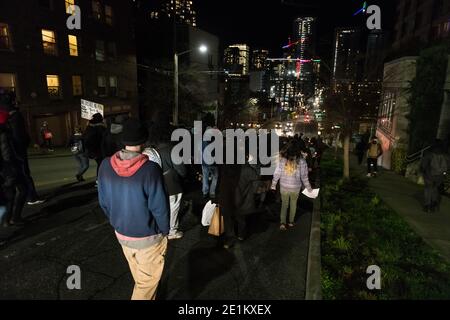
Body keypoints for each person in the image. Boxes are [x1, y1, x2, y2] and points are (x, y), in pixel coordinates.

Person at [98, 119, 169, 300]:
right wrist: (165, 230)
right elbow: (159, 207)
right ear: (143, 142)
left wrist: (116, 220)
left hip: (122, 233)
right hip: (148, 237)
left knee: (140, 278)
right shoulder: (150, 169)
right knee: (146, 285)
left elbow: (104, 202)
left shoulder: (105, 165)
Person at [1, 90, 44, 205]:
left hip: (7, 152)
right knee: (23, 175)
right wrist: (25, 143)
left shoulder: (4, 114)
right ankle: (31, 197)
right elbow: (19, 135)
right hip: (15, 151)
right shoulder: (14, 115)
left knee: (10, 178)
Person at [143, 128, 187, 240]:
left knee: (161, 208)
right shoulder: (173, 150)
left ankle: (160, 229)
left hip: (157, 184)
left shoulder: (152, 150)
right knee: (174, 207)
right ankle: (172, 231)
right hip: (172, 184)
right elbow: (181, 170)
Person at [271, 146, 313, 231]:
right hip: (295, 188)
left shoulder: (282, 161)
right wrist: (309, 188)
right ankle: (291, 222)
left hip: (284, 187)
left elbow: (277, 174)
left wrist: (273, 185)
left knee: (284, 205)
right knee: (293, 204)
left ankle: (283, 223)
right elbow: (304, 177)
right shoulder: (302, 161)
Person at [0, 105, 27, 227]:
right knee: (22, 190)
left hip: (4, 170)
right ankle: (15, 217)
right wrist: (17, 161)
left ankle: (7, 220)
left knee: (10, 194)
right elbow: (7, 154)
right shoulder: (4, 135)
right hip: (10, 169)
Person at [420, 140, 449, 213]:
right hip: (440, 176)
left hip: (429, 175)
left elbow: (424, 164)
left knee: (428, 189)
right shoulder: (445, 155)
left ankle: (427, 205)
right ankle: (434, 203)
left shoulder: (429, 154)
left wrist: (422, 170)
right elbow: (448, 166)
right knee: (435, 188)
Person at [83, 113, 106, 182]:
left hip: (93, 151)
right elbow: (104, 140)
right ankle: (99, 180)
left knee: (100, 164)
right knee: (102, 165)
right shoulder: (100, 128)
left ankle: (99, 180)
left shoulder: (89, 128)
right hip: (100, 151)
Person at [202, 127, 219, 200]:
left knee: (205, 177)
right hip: (213, 163)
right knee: (215, 177)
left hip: (205, 162)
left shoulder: (203, 141)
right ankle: (212, 192)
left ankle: (205, 192)